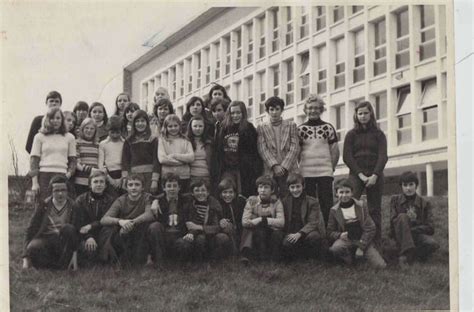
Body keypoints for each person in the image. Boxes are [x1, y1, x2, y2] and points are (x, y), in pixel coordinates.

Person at [343, 101, 388, 245]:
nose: (363, 116)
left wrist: (375, 175)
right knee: (351, 205)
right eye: (360, 113)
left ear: (371, 114)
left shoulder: (379, 134)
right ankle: (352, 239)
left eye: (366, 113)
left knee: (374, 209)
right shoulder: (351, 134)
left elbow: (383, 156)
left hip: (375, 175)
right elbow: (347, 157)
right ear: (356, 115)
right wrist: (360, 175)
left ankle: (375, 242)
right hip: (356, 175)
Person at [22, 174, 80, 270]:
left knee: (68, 228)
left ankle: (64, 263)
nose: (60, 194)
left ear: (67, 191)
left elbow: (75, 232)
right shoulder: (43, 206)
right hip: (46, 239)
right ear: (51, 192)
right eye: (56, 190)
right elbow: (30, 230)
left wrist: (75, 256)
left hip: (64, 241)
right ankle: (53, 265)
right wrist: (25, 258)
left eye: (63, 190)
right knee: (33, 247)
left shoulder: (74, 206)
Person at [297, 95, 339, 226]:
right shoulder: (301, 129)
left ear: (321, 109)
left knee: (327, 204)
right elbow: (297, 152)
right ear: (305, 110)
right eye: (310, 108)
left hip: (325, 172)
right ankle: (311, 232)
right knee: (309, 204)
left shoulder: (328, 128)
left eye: (316, 108)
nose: (313, 110)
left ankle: (329, 231)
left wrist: (331, 168)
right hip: (306, 173)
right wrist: (300, 169)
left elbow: (335, 150)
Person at [99, 174, 157, 267]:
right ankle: (113, 260)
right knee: (111, 230)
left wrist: (132, 222)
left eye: (137, 185)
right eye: (130, 185)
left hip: (141, 232)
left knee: (151, 227)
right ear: (126, 187)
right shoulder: (121, 200)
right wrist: (120, 221)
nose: (133, 188)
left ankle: (149, 258)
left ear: (142, 187)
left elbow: (149, 214)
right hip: (126, 232)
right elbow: (104, 219)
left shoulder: (147, 197)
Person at [327, 179, 386, 268]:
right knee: (335, 248)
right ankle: (349, 259)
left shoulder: (361, 206)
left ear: (352, 193)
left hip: (362, 239)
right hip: (346, 240)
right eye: (341, 192)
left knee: (380, 265)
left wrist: (361, 246)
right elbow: (329, 231)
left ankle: (361, 254)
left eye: (347, 192)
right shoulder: (334, 210)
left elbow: (370, 228)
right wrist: (339, 235)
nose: (344, 195)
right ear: (336, 194)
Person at [175, 179, 231, 262]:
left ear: (208, 192)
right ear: (192, 193)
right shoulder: (188, 205)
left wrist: (200, 227)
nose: (200, 193)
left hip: (209, 236)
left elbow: (217, 227)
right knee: (185, 242)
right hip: (191, 235)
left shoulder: (214, 205)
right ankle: (193, 261)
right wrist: (190, 233)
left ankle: (212, 259)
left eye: (203, 190)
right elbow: (188, 223)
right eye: (197, 191)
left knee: (222, 238)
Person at [390, 171, 439, 266]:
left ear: (416, 185)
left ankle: (408, 253)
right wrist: (404, 226)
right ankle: (409, 255)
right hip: (399, 235)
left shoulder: (425, 203)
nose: (408, 188)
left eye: (411, 184)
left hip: (416, 234)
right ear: (401, 186)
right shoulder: (395, 200)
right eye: (405, 185)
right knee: (402, 216)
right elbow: (392, 222)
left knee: (432, 244)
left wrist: (411, 230)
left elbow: (430, 227)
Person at [216, 101, 262, 197]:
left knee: (243, 195)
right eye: (232, 113)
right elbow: (219, 149)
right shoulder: (224, 128)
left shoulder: (249, 128)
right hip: (227, 169)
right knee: (227, 194)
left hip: (244, 169)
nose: (235, 115)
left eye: (238, 113)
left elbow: (254, 152)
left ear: (243, 113)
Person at [29, 107, 76, 202]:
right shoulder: (39, 136)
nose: (55, 121)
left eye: (58, 118)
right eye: (52, 118)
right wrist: (35, 183)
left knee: (61, 206)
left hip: (62, 175)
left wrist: (68, 174)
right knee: (42, 207)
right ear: (47, 119)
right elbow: (34, 160)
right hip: (44, 176)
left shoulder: (70, 137)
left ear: (62, 119)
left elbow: (73, 160)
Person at [257, 96, 300, 197]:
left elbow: (295, 147)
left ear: (282, 110)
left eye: (277, 109)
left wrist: (284, 166)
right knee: (272, 196)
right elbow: (262, 148)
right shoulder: (262, 127)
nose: (274, 112)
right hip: (271, 169)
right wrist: (274, 165)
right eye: (271, 109)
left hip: (289, 168)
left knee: (289, 196)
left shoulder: (291, 125)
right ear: (267, 111)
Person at [279, 173, 326, 261]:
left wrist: (299, 233)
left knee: (314, 237)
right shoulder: (284, 201)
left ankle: (313, 258)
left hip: (306, 232)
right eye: (292, 187)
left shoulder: (312, 202)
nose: (295, 190)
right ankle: (300, 255)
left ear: (303, 186)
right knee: (287, 244)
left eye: (298, 186)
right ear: (288, 188)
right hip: (292, 231)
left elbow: (313, 222)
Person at [240, 175, 284, 264]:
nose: (263, 190)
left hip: (272, 230)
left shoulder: (277, 202)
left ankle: (274, 259)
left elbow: (281, 222)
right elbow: (244, 222)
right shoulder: (252, 201)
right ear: (257, 189)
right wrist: (258, 220)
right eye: (260, 187)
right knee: (259, 231)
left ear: (272, 190)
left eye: (266, 187)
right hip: (258, 230)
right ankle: (258, 258)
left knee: (277, 234)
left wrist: (263, 219)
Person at [75, 171, 115, 265]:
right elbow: (78, 222)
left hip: (103, 234)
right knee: (89, 256)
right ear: (90, 185)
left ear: (105, 185)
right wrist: (88, 237)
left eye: (101, 182)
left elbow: (106, 220)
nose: (99, 185)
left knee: (110, 227)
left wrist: (91, 225)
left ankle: (103, 259)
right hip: (85, 235)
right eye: (95, 182)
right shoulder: (81, 200)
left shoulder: (110, 200)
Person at [147, 173, 187, 265]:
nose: (172, 189)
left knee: (184, 244)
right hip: (165, 236)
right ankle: (160, 261)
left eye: (174, 186)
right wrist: (155, 201)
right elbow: (149, 197)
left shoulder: (185, 200)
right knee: (154, 226)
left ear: (179, 187)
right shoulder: (160, 200)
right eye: (168, 186)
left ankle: (180, 263)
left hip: (179, 235)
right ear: (164, 188)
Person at [122, 110, 160, 194]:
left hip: (149, 176)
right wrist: (125, 178)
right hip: (134, 177)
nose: (140, 123)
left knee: (148, 198)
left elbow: (156, 160)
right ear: (133, 123)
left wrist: (155, 180)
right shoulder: (128, 141)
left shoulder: (153, 139)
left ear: (147, 122)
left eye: (143, 121)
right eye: (137, 121)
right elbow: (125, 161)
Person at [158, 114, 194, 193]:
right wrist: (183, 161)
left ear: (179, 126)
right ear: (166, 127)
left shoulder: (185, 140)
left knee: (183, 199)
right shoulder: (162, 140)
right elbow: (162, 159)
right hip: (167, 176)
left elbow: (191, 157)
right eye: (170, 126)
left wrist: (174, 155)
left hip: (184, 176)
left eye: (175, 125)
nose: (173, 128)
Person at [217, 178, 246, 255]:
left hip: (240, 229)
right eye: (225, 192)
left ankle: (244, 252)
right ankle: (235, 252)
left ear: (235, 193)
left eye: (231, 192)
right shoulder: (217, 205)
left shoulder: (241, 201)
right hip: (227, 231)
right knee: (227, 226)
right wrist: (220, 221)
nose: (228, 195)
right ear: (220, 194)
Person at [186, 116, 215, 188]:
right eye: (195, 126)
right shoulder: (186, 141)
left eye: (200, 126)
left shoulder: (210, 142)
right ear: (190, 127)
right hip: (191, 177)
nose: (198, 128)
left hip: (207, 177)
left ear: (204, 127)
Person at [98, 116, 125, 193]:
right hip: (108, 175)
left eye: (118, 132)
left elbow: (127, 162)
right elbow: (101, 163)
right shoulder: (103, 144)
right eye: (112, 132)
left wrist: (122, 178)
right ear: (108, 130)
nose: (115, 135)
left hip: (122, 175)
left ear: (121, 131)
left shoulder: (124, 143)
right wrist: (109, 178)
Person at [74, 118, 100, 196]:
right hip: (81, 181)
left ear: (95, 131)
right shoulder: (77, 143)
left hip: (94, 181)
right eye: (86, 128)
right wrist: (91, 170)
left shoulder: (98, 145)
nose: (89, 130)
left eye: (92, 128)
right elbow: (77, 164)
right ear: (82, 129)